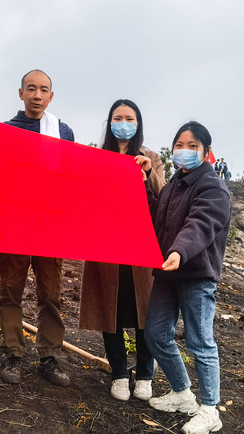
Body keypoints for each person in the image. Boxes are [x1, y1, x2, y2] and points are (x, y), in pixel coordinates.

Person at [145, 121, 231, 434]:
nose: (184, 151)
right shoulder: (172, 186)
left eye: (193, 146)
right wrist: (144, 182)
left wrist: (180, 251)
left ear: (207, 152)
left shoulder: (212, 186)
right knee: (155, 333)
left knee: (200, 341)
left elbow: (201, 223)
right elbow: (158, 219)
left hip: (195, 273)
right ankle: (182, 393)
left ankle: (210, 411)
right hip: (168, 272)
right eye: (179, 145)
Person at [79, 99, 165, 401]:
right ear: (110, 122)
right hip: (106, 247)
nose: (124, 122)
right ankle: (118, 373)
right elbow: (84, 198)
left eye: (130, 118)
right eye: (118, 117)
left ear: (138, 123)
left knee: (144, 313)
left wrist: (146, 176)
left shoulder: (151, 157)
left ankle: (144, 375)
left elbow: (163, 199)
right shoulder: (97, 157)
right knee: (110, 310)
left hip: (141, 247)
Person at [0, 69, 75, 387]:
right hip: (14, 223)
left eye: (44, 90)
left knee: (51, 294)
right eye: (31, 89)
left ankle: (49, 357)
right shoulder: (6, 130)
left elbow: (72, 176)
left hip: (50, 226)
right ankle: (14, 354)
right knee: (10, 291)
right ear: (21, 94)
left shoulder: (63, 131)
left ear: (51, 96)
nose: (37, 95)